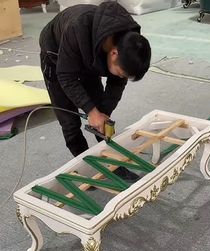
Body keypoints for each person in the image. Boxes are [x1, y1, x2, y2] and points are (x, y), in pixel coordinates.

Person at [39, 1, 151, 180]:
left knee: (101, 117)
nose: (122, 78)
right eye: (122, 73)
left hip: (89, 54)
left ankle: (114, 165)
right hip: (56, 55)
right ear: (114, 53)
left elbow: (116, 83)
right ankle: (86, 169)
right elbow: (66, 77)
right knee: (70, 123)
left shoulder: (129, 41)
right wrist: (91, 111)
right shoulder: (78, 27)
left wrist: (102, 112)